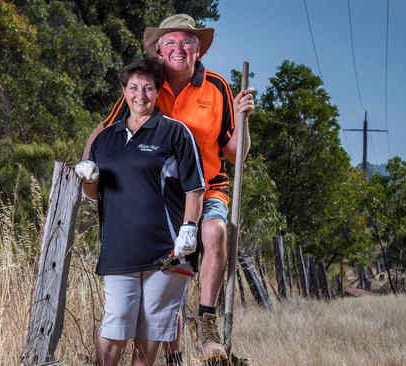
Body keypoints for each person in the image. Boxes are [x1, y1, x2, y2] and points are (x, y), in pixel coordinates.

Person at [82, 14, 255, 363]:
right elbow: (106, 131)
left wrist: (242, 118)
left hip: (205, 188)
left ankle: (206, 318)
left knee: (214, 231)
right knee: (163, 288)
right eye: (171, 42)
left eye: (186, 43)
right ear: (159, 49)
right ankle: (173, 353)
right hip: (158, 196)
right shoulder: (147, 85)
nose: (178, 49)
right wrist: (86, 170)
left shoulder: (217, 87)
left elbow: (235, 154)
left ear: (197, 49)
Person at [75, 58, 205, 366]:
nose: (140, 95)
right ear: (124, 91)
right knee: (116, 320)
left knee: (151, 328)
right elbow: (92, 196)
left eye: (148, 88)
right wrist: (89, 180)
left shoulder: (175, 133)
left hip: (168, 251)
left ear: (158, 92)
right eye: (133, 88)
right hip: (119, 249)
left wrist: (190, 227)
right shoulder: (106, 140)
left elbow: (195, 188)